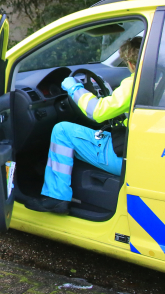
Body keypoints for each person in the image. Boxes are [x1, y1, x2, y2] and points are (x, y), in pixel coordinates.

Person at [31, 36, 142, 214]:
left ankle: (57, 197)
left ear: (131, 63)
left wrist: (74, 88)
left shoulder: (135, 84)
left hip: (128, 155)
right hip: (142, 149)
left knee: (62, 131)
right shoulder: (161, 79)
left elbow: (97, 112)